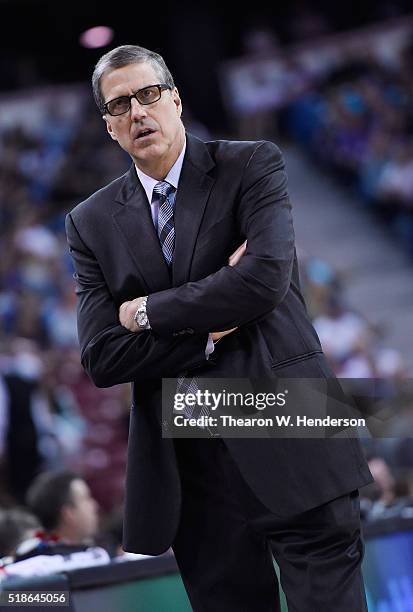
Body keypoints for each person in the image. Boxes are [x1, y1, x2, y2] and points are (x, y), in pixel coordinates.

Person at [65, 44, 374, 611]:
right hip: (192, 467)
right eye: (120, 104)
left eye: (149, 95)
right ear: (107, 125)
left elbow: (260, 282)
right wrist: (207, 330)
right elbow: (102, 357)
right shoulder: (89, 223)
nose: (138, 112)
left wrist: (147, 311)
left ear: (176, 100)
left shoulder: (252, 163)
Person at [25, 470, 99, 550]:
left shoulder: (95, 552)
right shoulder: (38, 557)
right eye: (86, 498)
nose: (95, 506)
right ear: (69, 513)